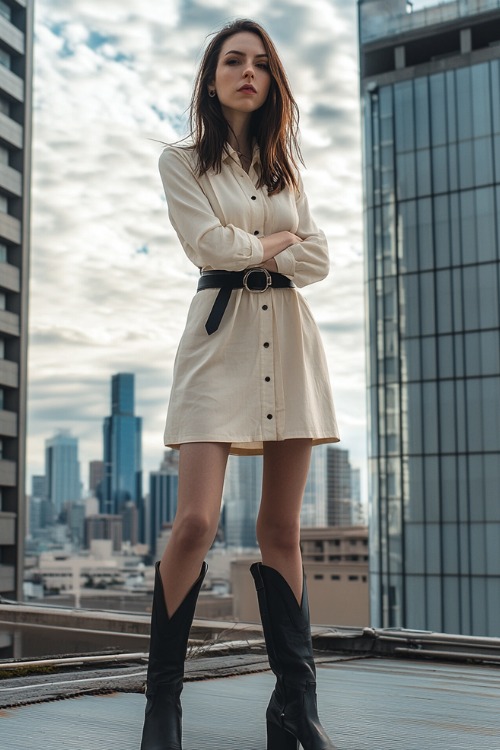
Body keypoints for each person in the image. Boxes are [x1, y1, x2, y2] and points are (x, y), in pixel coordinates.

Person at [140, 18, 340, 750]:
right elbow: (209, 245)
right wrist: (279, 243)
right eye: (233, 60)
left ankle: (296, 707)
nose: (247, 72)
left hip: (289, 341)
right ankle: (162, 704)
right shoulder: (182, 161)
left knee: (281, 530)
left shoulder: (287, 171)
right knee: (194, 520)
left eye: (260, 62)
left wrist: (271, 247)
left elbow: (319, 261)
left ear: (273, 80)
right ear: (212, 75)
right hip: (217, 340)